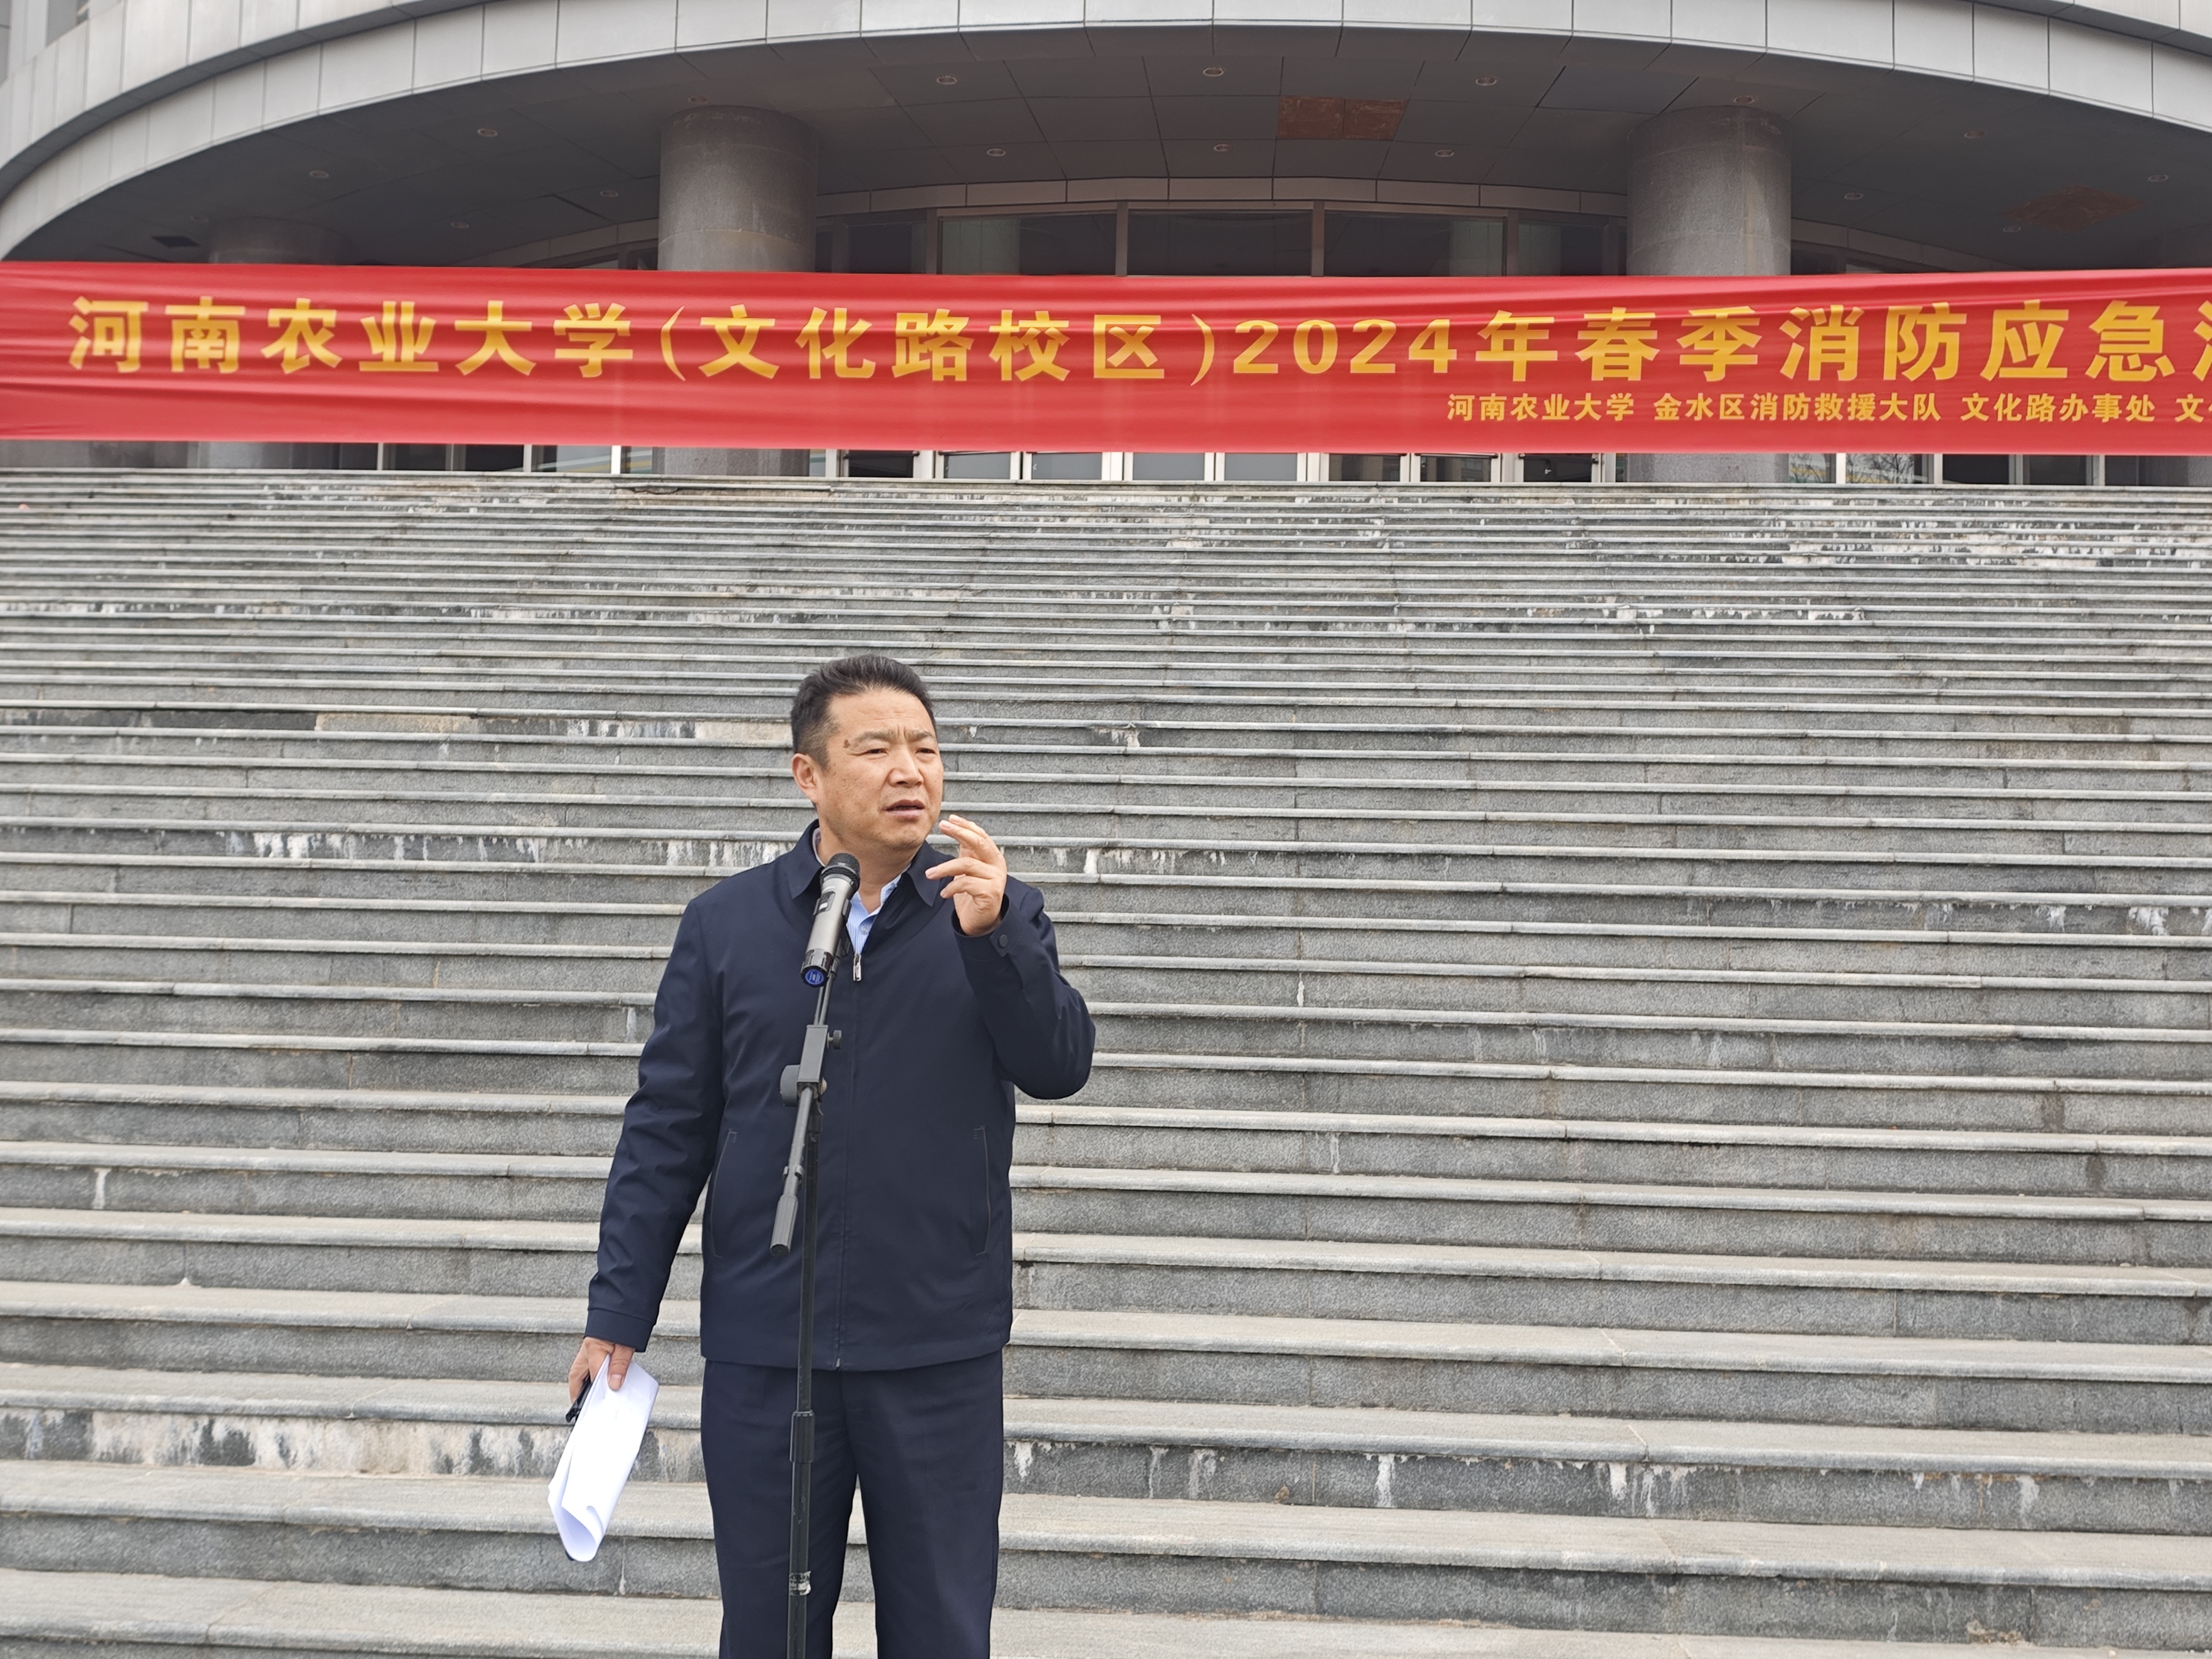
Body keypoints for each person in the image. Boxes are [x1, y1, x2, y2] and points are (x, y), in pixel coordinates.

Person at [566, 652, 1094, 1659]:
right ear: (808, 775)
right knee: (768, 1631)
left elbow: (1060, 1064)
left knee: (942, 1632)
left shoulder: (994, 912)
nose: (910, 771)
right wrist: (617, 1313)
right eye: (877, 749)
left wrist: (996, 941)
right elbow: (668, 1127)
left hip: (934, 1344)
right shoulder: (728, 925)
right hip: (770, 1340)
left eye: (925, 749)